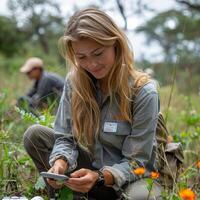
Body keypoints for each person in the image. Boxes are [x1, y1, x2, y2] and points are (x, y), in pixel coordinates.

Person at [23, 8, 162, 200]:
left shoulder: (143, 92)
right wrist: (60, 162)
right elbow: (65, 137)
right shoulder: (75, 83)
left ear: (115, 43)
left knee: (142, 195)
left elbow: (138, 162)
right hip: (88, 172)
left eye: (98, 53)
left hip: (129, 180)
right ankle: (66, 193)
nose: (92, 64)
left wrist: (101, 177)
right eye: (82, 58)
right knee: (35, 135)